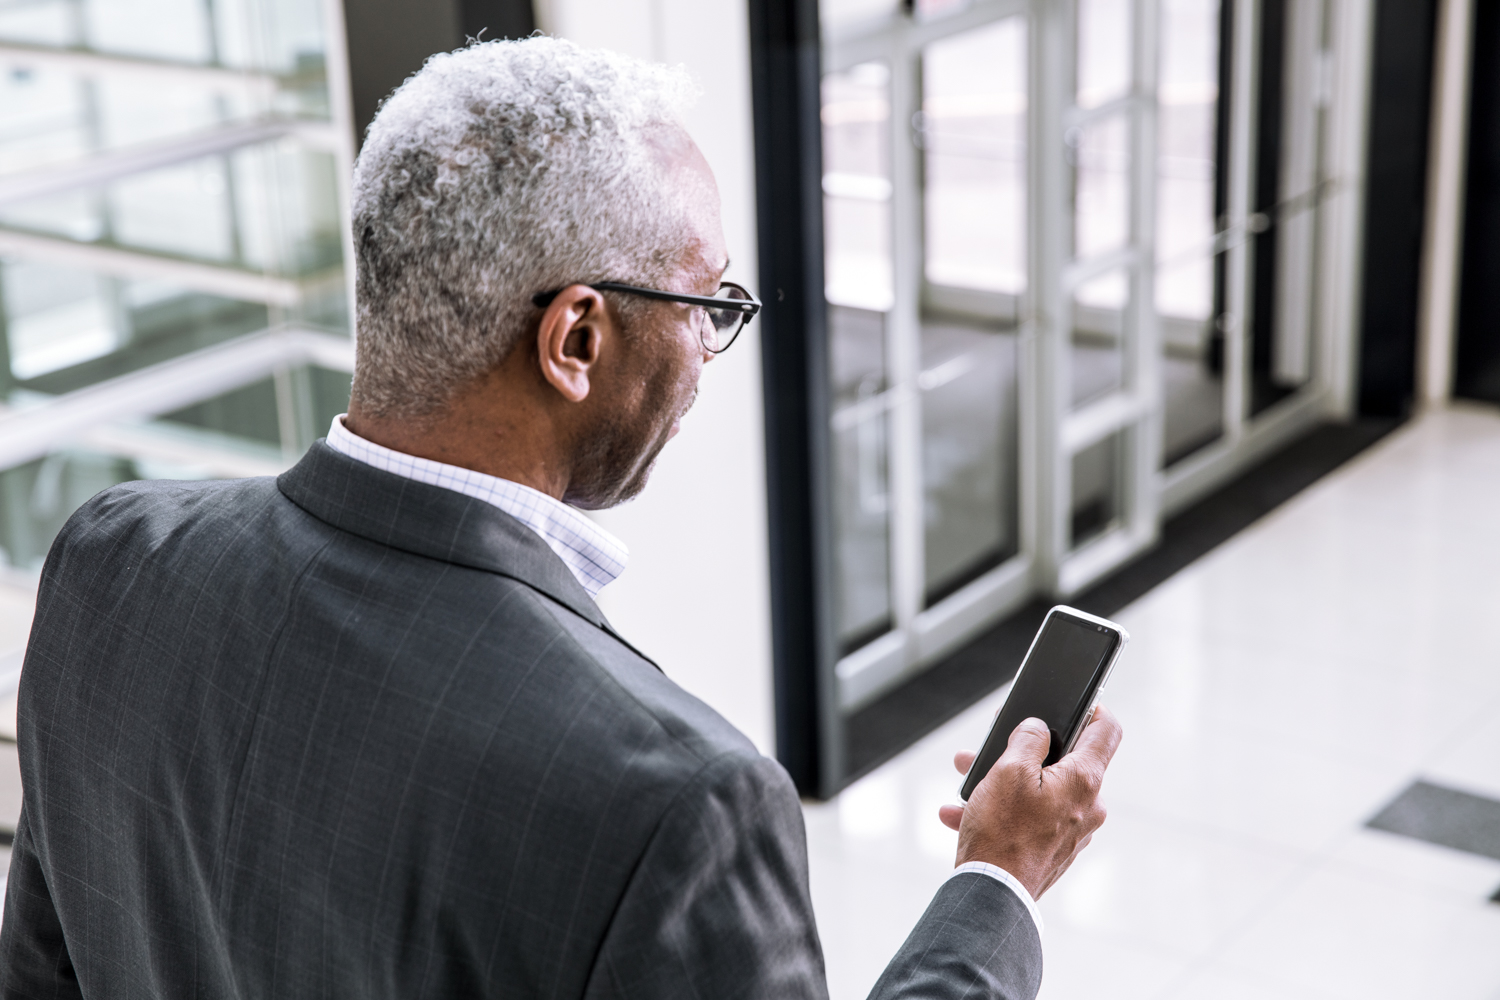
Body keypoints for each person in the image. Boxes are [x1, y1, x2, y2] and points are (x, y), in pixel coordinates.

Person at [0, 37, 1121, 999]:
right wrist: (998, 882)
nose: (709, 348)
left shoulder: (109, 558)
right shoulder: (679, 802)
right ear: (575, 339)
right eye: (706, 304)